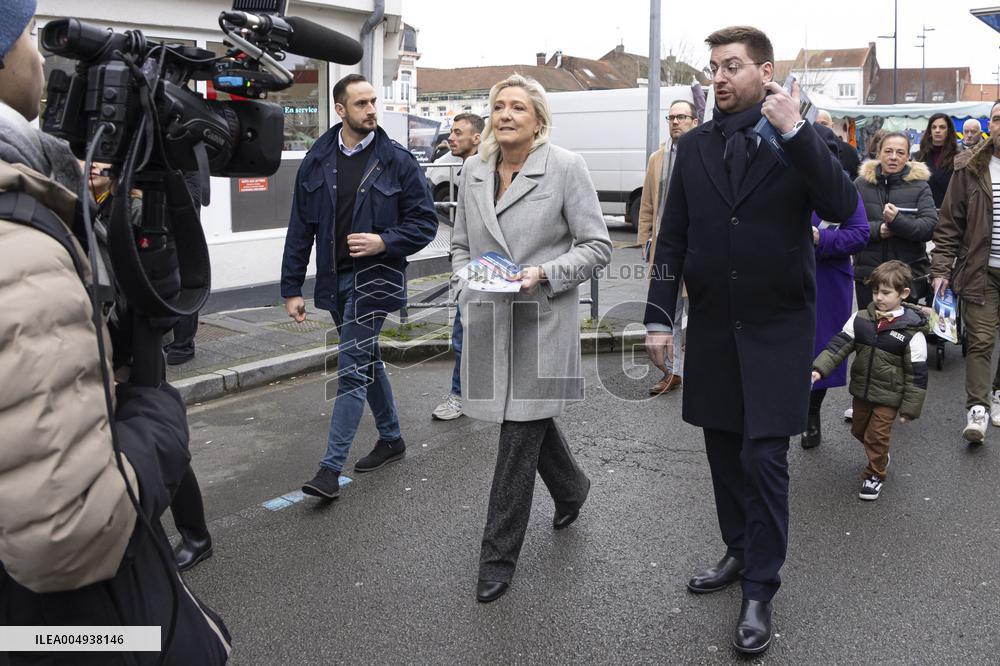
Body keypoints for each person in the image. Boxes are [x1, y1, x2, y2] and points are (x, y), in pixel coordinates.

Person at [0, 4, 231, 662]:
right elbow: (67, 534)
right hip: (66, 628)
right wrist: (154, 415)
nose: (39, 58)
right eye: (25, 35)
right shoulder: (16, 245)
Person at [643, 26, 857, 654]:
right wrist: (659, 316)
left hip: (777, 328)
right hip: (712, 326)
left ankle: (761, 587)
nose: (720, 76)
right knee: (722, 451)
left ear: (766, 73)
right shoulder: (697, 145)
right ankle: (738, 552)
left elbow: (843, 205)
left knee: (763, 459)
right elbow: (673, 236)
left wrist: (795, 132)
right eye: (714, 67)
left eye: (732, 66)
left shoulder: (803, 138)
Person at [451, 74, 611, 604]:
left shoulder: (565, 167)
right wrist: (464, 282)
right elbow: (458, 244)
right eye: (498, 105)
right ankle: (572, 488)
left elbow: (596, 247)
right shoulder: (473, 170)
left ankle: (495, 560)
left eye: (518, 106)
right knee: (525, 420)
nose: (506, 114)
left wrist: (542, 274)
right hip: (489, 317)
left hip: (541, 319)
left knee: (516, 440)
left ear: (538, 120)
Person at [281, 74, 437, 499]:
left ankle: (329, 471)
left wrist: (384, 241)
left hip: (376, 278)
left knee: (350, 368)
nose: (372, 110)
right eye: (362, 103)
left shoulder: (396, 160)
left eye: (374, 102)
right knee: (365, 360)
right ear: (340, 109)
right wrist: (291, 288)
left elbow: (426, 222)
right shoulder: (317, 157)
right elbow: (301, 228)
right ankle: (391, 438)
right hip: (334, 279)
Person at [812, 260, 928, 500]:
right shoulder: (861, 319)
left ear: (903, 293)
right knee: (859, 430)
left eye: (886, 292)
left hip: (889, 396)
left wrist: (909, 409)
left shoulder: (910, 333)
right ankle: (880, 454)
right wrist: (819, 369)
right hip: (862, 391)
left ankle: (875, 474)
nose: (879, 297)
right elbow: (839, 345)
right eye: (876, 291)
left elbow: (917, 376)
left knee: (876, 435)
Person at [931, 100, 1000, 443]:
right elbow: (948, 224)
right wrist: (941, 268)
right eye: (998, 119)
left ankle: (997, 392)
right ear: (991, 125)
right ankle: (978, 409)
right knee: (981, 341)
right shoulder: (970, 167)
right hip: (981, 270)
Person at [637, 99, 699, 396]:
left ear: (694, 121)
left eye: (682, 117)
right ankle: (671, 373)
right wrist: (645, 241)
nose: (675, 122)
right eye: (671, 117)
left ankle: (699, 371)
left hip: (697, 249)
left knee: (698, 313)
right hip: (665, 250)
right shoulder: (657, 159)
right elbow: (648, 204)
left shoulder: (703, 153)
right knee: (666, 313)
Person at [801, 195, 870, 448]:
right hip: (781, 272)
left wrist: (822, 238)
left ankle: (811, 412)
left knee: (823, 347)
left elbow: (860, 234)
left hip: (827, 277)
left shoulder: (838, 186)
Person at [432, 112, 484, 421]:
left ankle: (461, 396)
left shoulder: (484, 169)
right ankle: (463, 394)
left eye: (457, 132)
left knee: (464, 335)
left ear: (476, 138)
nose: (450, 138)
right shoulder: (467, 169)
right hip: (470, 265)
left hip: (484, 266)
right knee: (463, 334)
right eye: (451, 132)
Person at [852, 132, 937, 311]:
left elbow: (929, 228)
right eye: (888, 151)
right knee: (867, 329)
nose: (893, 157)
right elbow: (847, 225)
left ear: (908, 157)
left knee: (901, 332)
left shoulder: (920, 186)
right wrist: (877, 230)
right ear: (878, 153)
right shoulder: (861, 184)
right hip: (868, 275)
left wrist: (898, 222)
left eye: (900, 152)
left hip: (904, 278)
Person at [914, 113, 959, 209]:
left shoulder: (958, 157)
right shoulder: (919, 157)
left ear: (949, 131)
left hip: (950, 212)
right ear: (930, 131)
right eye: (934, 127)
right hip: (925, 212)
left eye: (942, 127)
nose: (937, 131)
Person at [816, 109, 861, 178]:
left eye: (824, 124)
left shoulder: (848, 151)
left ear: (832, 126)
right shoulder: (807, 149)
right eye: (816, 124)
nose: (820, 127)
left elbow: (856, 178)